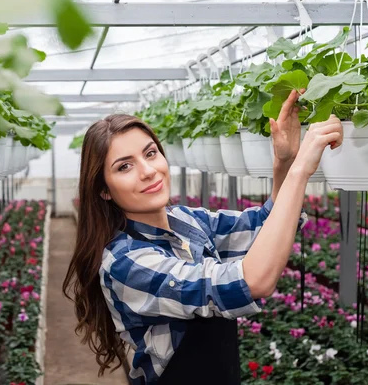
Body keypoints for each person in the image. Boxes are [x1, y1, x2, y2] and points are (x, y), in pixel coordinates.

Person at [62, 90, 344, 385]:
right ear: (104, 190)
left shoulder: (186, 220)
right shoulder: (126, 263)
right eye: (124, 166)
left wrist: (284, 163)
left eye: (150, 153)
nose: (148, 171)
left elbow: (263, 225)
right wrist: (300, 172)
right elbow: (252, 281)